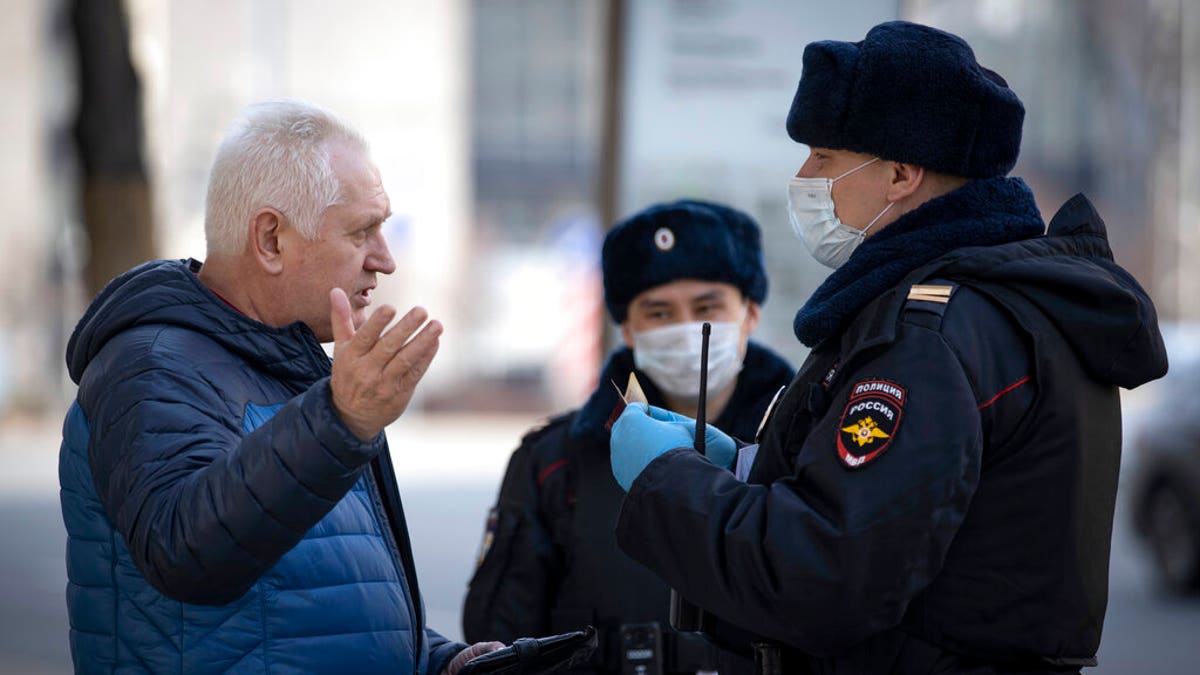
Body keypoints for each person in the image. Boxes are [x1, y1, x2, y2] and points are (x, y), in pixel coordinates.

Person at [608, 21, 1169, 674]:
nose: (804, 174)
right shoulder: (999, 305)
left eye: (823, 155)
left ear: (901, 174)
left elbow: (823, 574)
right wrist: (744, 466)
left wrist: (668, 478)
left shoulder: (929, 336)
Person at [58, 100, 501, 674]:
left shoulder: (293, 367)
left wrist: (441, 660)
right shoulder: (151, 366)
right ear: (270, 239)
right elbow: (187, 553)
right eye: (363, 231)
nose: (384, 261)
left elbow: (323, 599)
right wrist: (342, 420)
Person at [462, 200, 795, 674]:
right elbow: (498, 638)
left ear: (751, 312)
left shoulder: (804, 446)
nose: (684, 328)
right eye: (658, 312)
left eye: (707, 306)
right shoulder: (555, 461)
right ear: (628, 329)